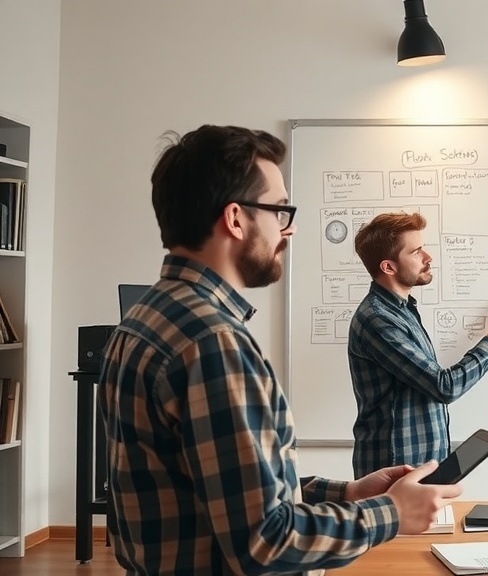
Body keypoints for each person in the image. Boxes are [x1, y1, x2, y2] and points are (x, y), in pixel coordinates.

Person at [97, 125, 460, 575]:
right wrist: (391, 513)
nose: (288, 231)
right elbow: (264, 541)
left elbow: (229, 493)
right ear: (235, 219)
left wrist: (348, 493)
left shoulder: (144, 318)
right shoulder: (213, 343)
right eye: (279, 211)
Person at [348, 212, 488, 479]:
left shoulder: (403, 311)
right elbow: (444, 386)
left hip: (421, 469)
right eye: (416, 251)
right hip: (394, 476)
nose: (428, 258)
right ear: (388, 267)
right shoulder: (378, 319)